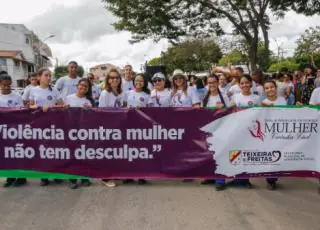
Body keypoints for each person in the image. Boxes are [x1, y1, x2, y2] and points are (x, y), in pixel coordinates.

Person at [28, 68, 64, 186]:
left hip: (54, 125)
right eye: (46, 75)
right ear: (39, 77)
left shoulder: (54, 90)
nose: (48, 78)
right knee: (43, 150)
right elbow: (30, 106)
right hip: (39, 125)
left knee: (54, 150)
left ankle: (56, 174)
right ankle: (44, 176)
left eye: (50, 76)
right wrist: (37, 107)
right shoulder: (33, 90)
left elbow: (61, 105)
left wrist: (53, 107)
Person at [229, 75, 261, 189]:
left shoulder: (256, 98)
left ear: (251, 83)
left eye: (247, 82)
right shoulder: (236, 97)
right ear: (239, 85)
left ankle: (246, 179)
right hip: (237, 130)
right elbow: (227, 109)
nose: (244, 85)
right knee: (235, 154)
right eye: (242, 83)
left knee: (247, 155)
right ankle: (236, 178)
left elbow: (261, 114)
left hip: (250, 131)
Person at [98, 68, 127, 187]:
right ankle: (105, 177)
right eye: (112, 78)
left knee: (116, 152)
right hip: (108, 127)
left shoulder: (123, 93)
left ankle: (114, 173)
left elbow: (125, 108)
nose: (114, 80)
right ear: (108, 80)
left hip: (120, 127)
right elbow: (101, 111)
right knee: (108, 152)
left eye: (117, 77)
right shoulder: (105, 93)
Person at [202, 74, 230, 190]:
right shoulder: (205, 96)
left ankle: (220, 180)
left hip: (221, 128)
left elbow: (230, 111)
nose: (211, 85)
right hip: (209, 128)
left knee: (220, 154)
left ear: (218, 83)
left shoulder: (223, 96)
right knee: (209, 153)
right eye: (209, 83)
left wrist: (223, 108)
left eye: (213, 82)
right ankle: (210, 176)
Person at [65, 78, 93, 189]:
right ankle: (72, 179)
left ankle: (84, 177)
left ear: (87, 89)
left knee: (83, 155)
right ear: (77, 86)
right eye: (81, 85)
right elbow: (61, 112)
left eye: (85, 86)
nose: (83, 87)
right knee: (72, 155)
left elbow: (92, 117)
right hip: (71, 131)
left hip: (83, 132)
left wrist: (89, 110)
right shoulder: (68, 98)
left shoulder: (88, 101)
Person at [0, 74, 27, 187]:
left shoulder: (17, 97)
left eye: (8, 85)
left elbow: (21, 113)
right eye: (4, 85)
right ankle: (10, 177)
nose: (6, 87)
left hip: (15, 130)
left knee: (18, 154)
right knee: (6, 155)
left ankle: (21, 177)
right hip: (2, 131)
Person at [125, 73, 152, 185]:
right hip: (128, 126)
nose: (139, 82)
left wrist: (143, 109)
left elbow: (151, 111)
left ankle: (141, 175)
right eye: (137, 80)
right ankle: (128, 175)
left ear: (144, 82)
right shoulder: (127, 94)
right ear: (133, 82)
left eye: (141, 81)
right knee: (129, 150)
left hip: (141, 127)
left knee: (141, 151)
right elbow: (123, 107)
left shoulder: (146, 96)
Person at [261, 80, 288, 190]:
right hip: (268, 135)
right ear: (264, 91)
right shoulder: (263, 102)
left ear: (276, 88)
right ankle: (270, 180)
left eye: (271, 87)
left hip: (281, 133)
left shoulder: (283, 100)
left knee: (279, 156)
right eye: (267, 88)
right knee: (270, 157)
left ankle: (275, 177)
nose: (270, 89)